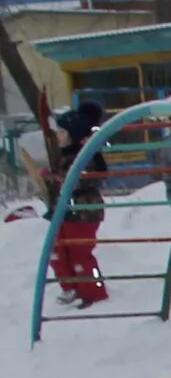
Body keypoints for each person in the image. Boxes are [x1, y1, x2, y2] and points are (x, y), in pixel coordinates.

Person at [47, 102, 108, 308]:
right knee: (56, 252)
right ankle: (70, 287)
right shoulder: (63, 157)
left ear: (74, 133)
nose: (58, 136)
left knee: (80, 254)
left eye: (62, 131)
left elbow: (85, 180)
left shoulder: (87, 155)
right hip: (64, 212)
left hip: (84, 212)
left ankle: (94, 290)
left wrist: (58, 178)